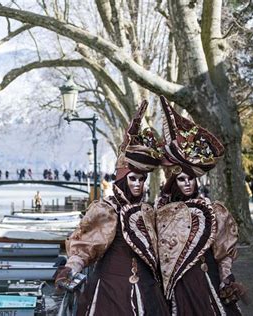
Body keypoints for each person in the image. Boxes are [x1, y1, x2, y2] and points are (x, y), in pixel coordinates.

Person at [54, 100, 169, 315]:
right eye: (133, 179)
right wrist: (71, 268)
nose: (138, 184)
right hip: (110, 290)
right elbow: (86, 246)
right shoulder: (107, 210)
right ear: (123, 179)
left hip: (147, 289)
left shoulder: (147, 211)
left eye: (142, 179)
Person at [155, 96, 246, 315]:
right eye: (181, 179)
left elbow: (223, 251)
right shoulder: (160, 213)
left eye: (191, 179)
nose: (187, 183)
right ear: (172, 181)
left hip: (208, 281)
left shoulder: (213, 211)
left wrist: (226, 278)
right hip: (176, 287)